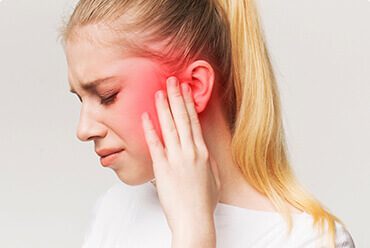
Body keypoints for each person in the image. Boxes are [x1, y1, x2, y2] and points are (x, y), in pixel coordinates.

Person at [58, 0, 355, 247]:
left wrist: (193, 232)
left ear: (195, 87)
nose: (83, 130)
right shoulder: (116, 210)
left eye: (107, 96)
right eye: (81, 99)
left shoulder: (310, 240)